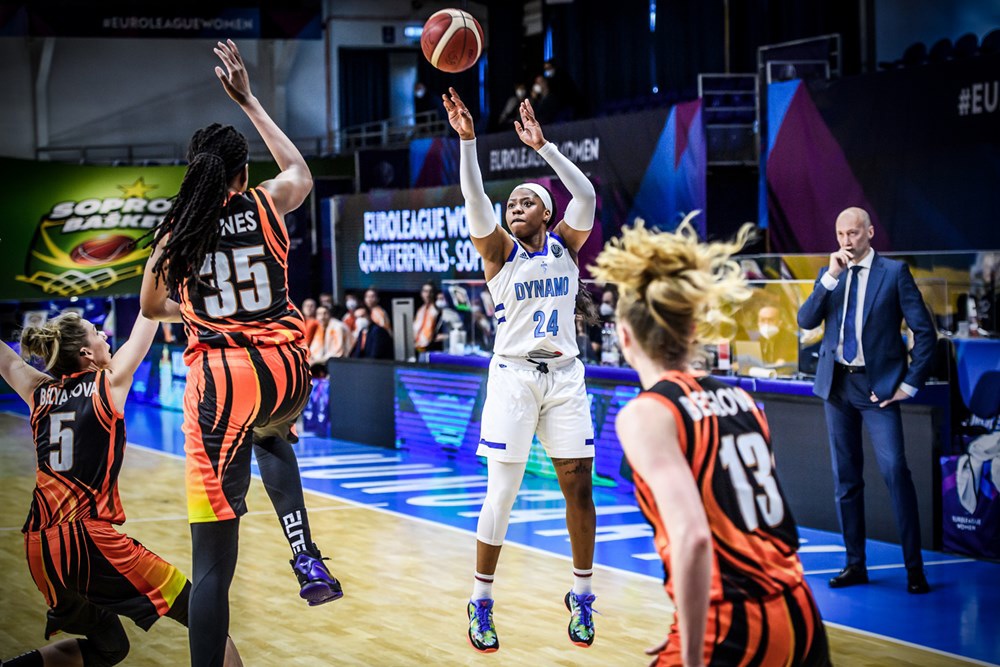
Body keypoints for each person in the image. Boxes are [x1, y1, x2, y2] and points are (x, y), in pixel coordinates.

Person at [139, 40, 342, 667]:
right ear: (241, 172)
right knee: (272, 432)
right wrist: (250, 101)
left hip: (221, 380)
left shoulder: (177, 231)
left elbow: (150, 305)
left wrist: (201, 312)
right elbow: (300, 171)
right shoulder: (266, 201)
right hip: (287, 368)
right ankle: (305, 553)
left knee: (210, 569)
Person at [592, 218, 830, 667]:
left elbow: (694, 538)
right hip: (800, 610)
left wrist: (692, 650)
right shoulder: (742, 398)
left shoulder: (647, 413)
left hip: (736, 622)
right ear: (692, 330)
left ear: (624, 337)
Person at [443, 87, 598, 652]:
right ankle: (481, 600)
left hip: (565, 377)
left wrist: (544, 148)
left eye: (526, 201)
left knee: (578, 487)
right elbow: (474, 196)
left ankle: (582, 593)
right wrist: (468, 141)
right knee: (502, 494)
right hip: (513, 377)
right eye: (511, 203)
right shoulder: (500, 253)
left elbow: (586, 193)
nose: (514, 207)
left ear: (546, 213)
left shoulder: (567, 247)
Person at [0, 312, 242, 667]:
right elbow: (148, 314)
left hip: (40, 548)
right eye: (96, 332)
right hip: (87, 541)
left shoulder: (39, 392)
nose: (104, 335)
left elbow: (7, 361)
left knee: (110, 647)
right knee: (204, 612)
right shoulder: (108, 383)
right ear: (86, 352)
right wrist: (161, 281)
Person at [797, 206, 936, 594]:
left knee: (895, 471)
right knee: (846, 479)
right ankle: (854, 564)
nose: (846, 241)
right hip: (837, 386)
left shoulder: (894, 273)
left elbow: (925, 333)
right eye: (840, 234)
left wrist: (908, 385)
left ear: (870, 232)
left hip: (878, 391)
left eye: (853, 233)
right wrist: (829, 278)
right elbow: (806, 321)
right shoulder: (831, 274)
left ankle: (914, 570)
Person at [414, 281, 440, 353]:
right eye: (425, 291)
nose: (428, 295)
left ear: (434, 294)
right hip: (417, 348)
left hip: (430, 349)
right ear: (421, 293)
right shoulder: (420, 310)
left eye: (430, 292)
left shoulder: (437, 310)